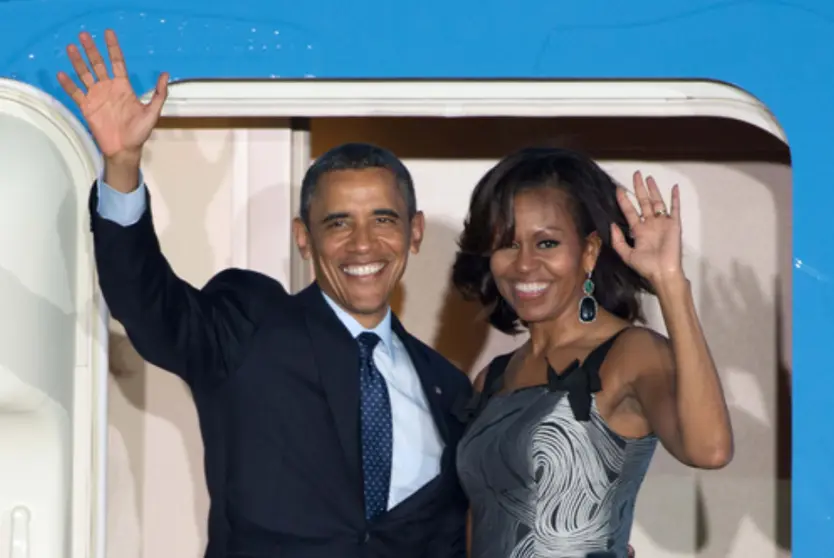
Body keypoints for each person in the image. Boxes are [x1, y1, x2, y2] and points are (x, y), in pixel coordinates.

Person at [58, 30, 472, 558]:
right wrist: (122, 165)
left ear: (414, 232)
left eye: (383, 220)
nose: (363, 244)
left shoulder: (448, 387)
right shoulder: (248, 324)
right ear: (305, 238)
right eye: (338, 223)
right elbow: (150, 305)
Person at [451, 147, 733, 558]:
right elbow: (482, 519)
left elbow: (709, 449)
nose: (524, 265)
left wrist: (670, 282)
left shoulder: (630, 353)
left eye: (546, 243)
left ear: (588, 251)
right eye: (507, 244)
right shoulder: (493, 376)